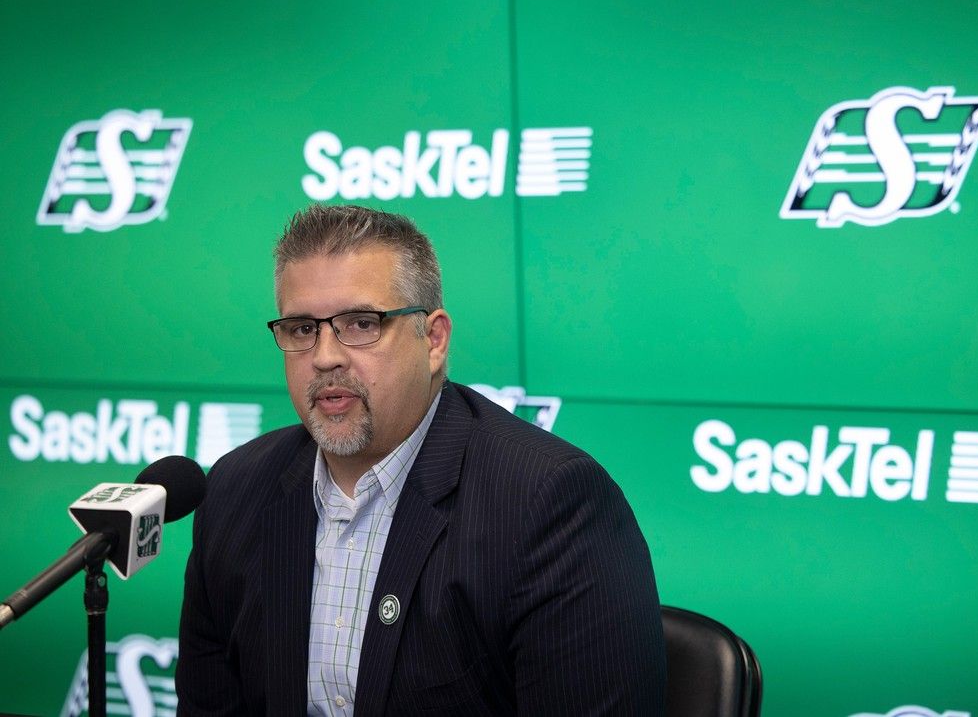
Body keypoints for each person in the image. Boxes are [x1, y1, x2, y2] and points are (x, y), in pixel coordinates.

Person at [176, 204, 665, 715]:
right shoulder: (235, 490)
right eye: (302, 329)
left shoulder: (547, 502)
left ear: (433, 340)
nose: (324, 357)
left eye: (361, 323)